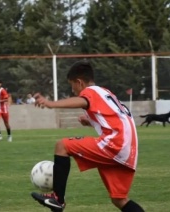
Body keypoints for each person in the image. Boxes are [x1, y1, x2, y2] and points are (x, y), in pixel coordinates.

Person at [31, 61, 144, 212]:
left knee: (62, 146)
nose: (73, 90)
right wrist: (91, 121)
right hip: (129, 149)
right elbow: (117, 118)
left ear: (79, 82)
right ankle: (57, 200)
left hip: (115, 144)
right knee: (119, 199)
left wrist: (50, 103)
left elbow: (83, 101)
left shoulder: (91, 92)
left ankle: (57, 199)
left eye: (72, 85)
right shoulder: (105, 92)